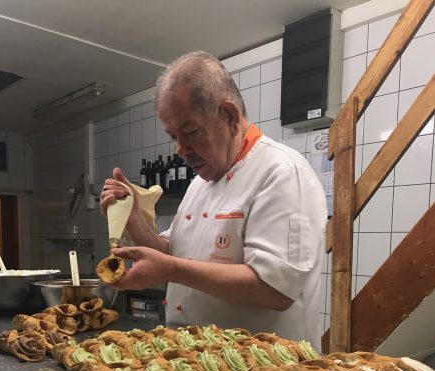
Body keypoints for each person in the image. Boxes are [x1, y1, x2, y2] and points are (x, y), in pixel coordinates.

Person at [100, 51, 327, 348]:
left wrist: (170, 269)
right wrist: (132, 220)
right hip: (198, 363)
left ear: (229, 117)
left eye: (189, 132)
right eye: (173, 137)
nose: (180, 149)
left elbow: (275, 290)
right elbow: (170, 252)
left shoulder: (282, 171)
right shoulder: (201, 183)